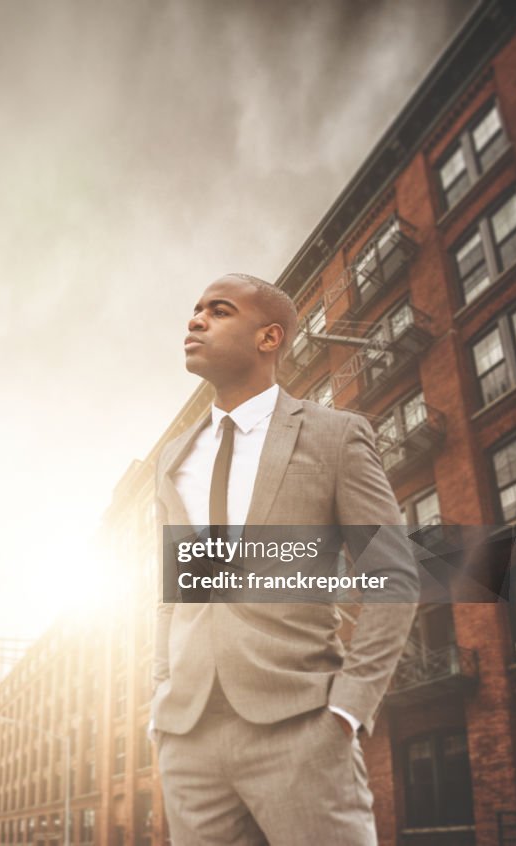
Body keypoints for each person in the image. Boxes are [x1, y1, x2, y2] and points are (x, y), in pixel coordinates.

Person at [151, 273, 419, 845]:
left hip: (302, 728)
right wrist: (161, 695)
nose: (195, 320)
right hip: (189, 736)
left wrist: (348, 709)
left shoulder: (335, 436)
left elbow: (394, 575)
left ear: (269, 338)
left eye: (218, 311)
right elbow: (175, 593)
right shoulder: (175, 458)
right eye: (195, 310)